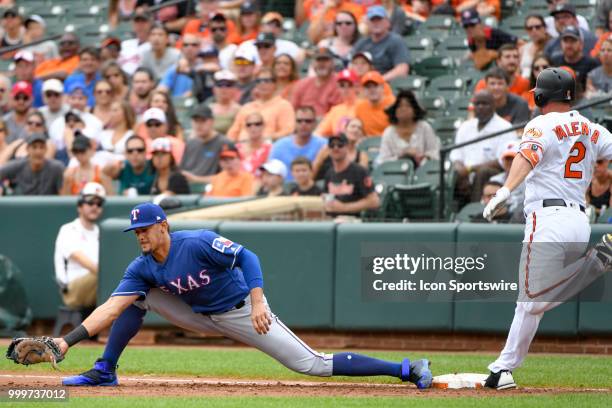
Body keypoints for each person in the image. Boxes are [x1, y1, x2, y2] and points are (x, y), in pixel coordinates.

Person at [55, 201, 432, 387]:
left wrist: (258, 301)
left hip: (240, 311)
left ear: (164, 226)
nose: (140, 235)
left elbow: (247, 256)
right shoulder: (141, 266)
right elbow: (111, 307)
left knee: (312, 364)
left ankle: (405, 368)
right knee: (136, 298)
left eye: (146, 229)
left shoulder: (198, 242)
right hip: (197, 315)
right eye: (135, 231)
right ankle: (105, 370)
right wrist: (67, 342)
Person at [482, 67, 612, 390]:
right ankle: (503, 369)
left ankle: (598, 261)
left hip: (548, 218)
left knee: (533, 297)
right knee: (529, 304)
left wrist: (505, 190)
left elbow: (527, 156)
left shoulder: (541, 123)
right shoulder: (591, 128)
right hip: (579, 221)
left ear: (541, 96)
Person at [450, 90, 516, 206]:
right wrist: (460, 170)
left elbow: (503, 160)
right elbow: (456, 155)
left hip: (492, 174)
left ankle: (475, 210)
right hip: (466, 173)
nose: (480, 107)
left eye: (485, 104)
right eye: (477, 104)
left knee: (483, 172)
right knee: (452, 173)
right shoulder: (466, 126)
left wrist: (470, 169)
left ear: (494, 105)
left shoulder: (505, 127)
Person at [54, 182, 106, 309]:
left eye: (99, 203)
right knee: (105, 278)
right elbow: (81, 260)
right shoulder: (68, 229)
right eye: (90, 202)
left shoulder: (100, 231)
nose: (95, 206)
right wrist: (112, 274)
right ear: (80, 206)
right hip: (72, 290)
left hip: (96, 283)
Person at [228, 69, 295, 142]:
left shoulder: (284, 105)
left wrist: (265, 139)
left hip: (269, 147)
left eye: (267, 81)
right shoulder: (246, 107)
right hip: (241, 147)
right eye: (259, 81)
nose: (262, 83)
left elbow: (288, 131)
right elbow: (232, 134)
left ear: (275, 83)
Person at [376, 89, 440, 166]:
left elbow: (434, 153)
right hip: (397, 172)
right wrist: (403, 156)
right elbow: (383, 161)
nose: (403, 109)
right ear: (395, 111)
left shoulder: (424, 127)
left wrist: (422, 156)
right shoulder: (389, 132)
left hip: (423, 171)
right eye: (400, 106)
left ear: (415, 110)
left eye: (408, 106)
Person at [323, 133, 380, 217]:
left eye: (340, 145)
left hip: (354, 222)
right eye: (332, 145)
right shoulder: (329, 173)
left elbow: (374, 201)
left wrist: (344, 207)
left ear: (347, 147)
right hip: (333, 221)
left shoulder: (359, 171)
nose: (335, 148)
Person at [351, 6, 411, 81]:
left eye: (379, 20)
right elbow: (351, 67)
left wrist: (378, 80)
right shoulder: (361, 43)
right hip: (363, 84)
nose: (376, 23)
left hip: (387, 85)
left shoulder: (396, 41)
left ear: (387, 22)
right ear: (367, 23)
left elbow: (402, 70)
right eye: (373, 20)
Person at [269, 106, 327, 182]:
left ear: (315, 123)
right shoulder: (279, 146)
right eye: (299, 121)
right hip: (285, 191)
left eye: (308, 121)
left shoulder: (324, 145)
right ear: (294, 123)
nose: (303, 124)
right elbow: (271, 174)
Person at [180, 104, 228, 185]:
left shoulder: (224, 143)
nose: (199, 125)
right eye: (196, 121)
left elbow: (229, 177)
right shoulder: (190, 143)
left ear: (212, 121)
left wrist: (196, 179)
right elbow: (182, 170)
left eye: (203, 120)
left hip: (214, 191)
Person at [291, 47, 342, 119]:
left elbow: (339, 112)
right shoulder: (302, 84)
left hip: (328, 123)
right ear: (312, 63)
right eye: (318, 60)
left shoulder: (340, 83)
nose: (321, 64)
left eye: (325, 60)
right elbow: (293, 110)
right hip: (303, 122)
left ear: (332, 62)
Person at [550, 26, 601, 94]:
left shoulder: (592, 64)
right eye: (565, 41)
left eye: (572, 41)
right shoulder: (554, 61)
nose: (568, 45)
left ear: (581, 44)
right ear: (560, 43)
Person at [157, 33, 199, 98]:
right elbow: (162, 88)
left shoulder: (204, 67)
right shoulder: (175, 69)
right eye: (186, 45)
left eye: (194, 45)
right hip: (178, 104)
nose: (189, 48)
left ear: (199, 47)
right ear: (181, 48)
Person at [355, 71, 396, 137]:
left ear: (382, 87)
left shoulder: (393, 103)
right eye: (368, 87)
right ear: (363, 90)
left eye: (375, 86)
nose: (372, 90)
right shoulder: (360, 107)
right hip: (369, 144)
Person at [236, 112, 272, 178]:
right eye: (249, 125)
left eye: (257, 124)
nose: (253, 127)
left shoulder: (270, 148)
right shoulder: (237, 148)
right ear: (245, 127)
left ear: (263, 126)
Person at [118, 10, 153, 76]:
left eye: (143, 21)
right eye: (137, 21)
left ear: (150, 23)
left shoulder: (154, 45)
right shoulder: (125, 44)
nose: (140, 25)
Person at [520, 14, 552, 79]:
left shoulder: (553, 46)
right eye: (530, 28)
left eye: (537, 27)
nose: (534, 30)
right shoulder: (523, 49)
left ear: (545, 28)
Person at [209, 70, 240, 136]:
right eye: (219, 85)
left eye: (228, 85)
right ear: (214, 89)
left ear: (234, 89)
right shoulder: (208, 109)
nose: (224, 88)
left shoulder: (239, 110)